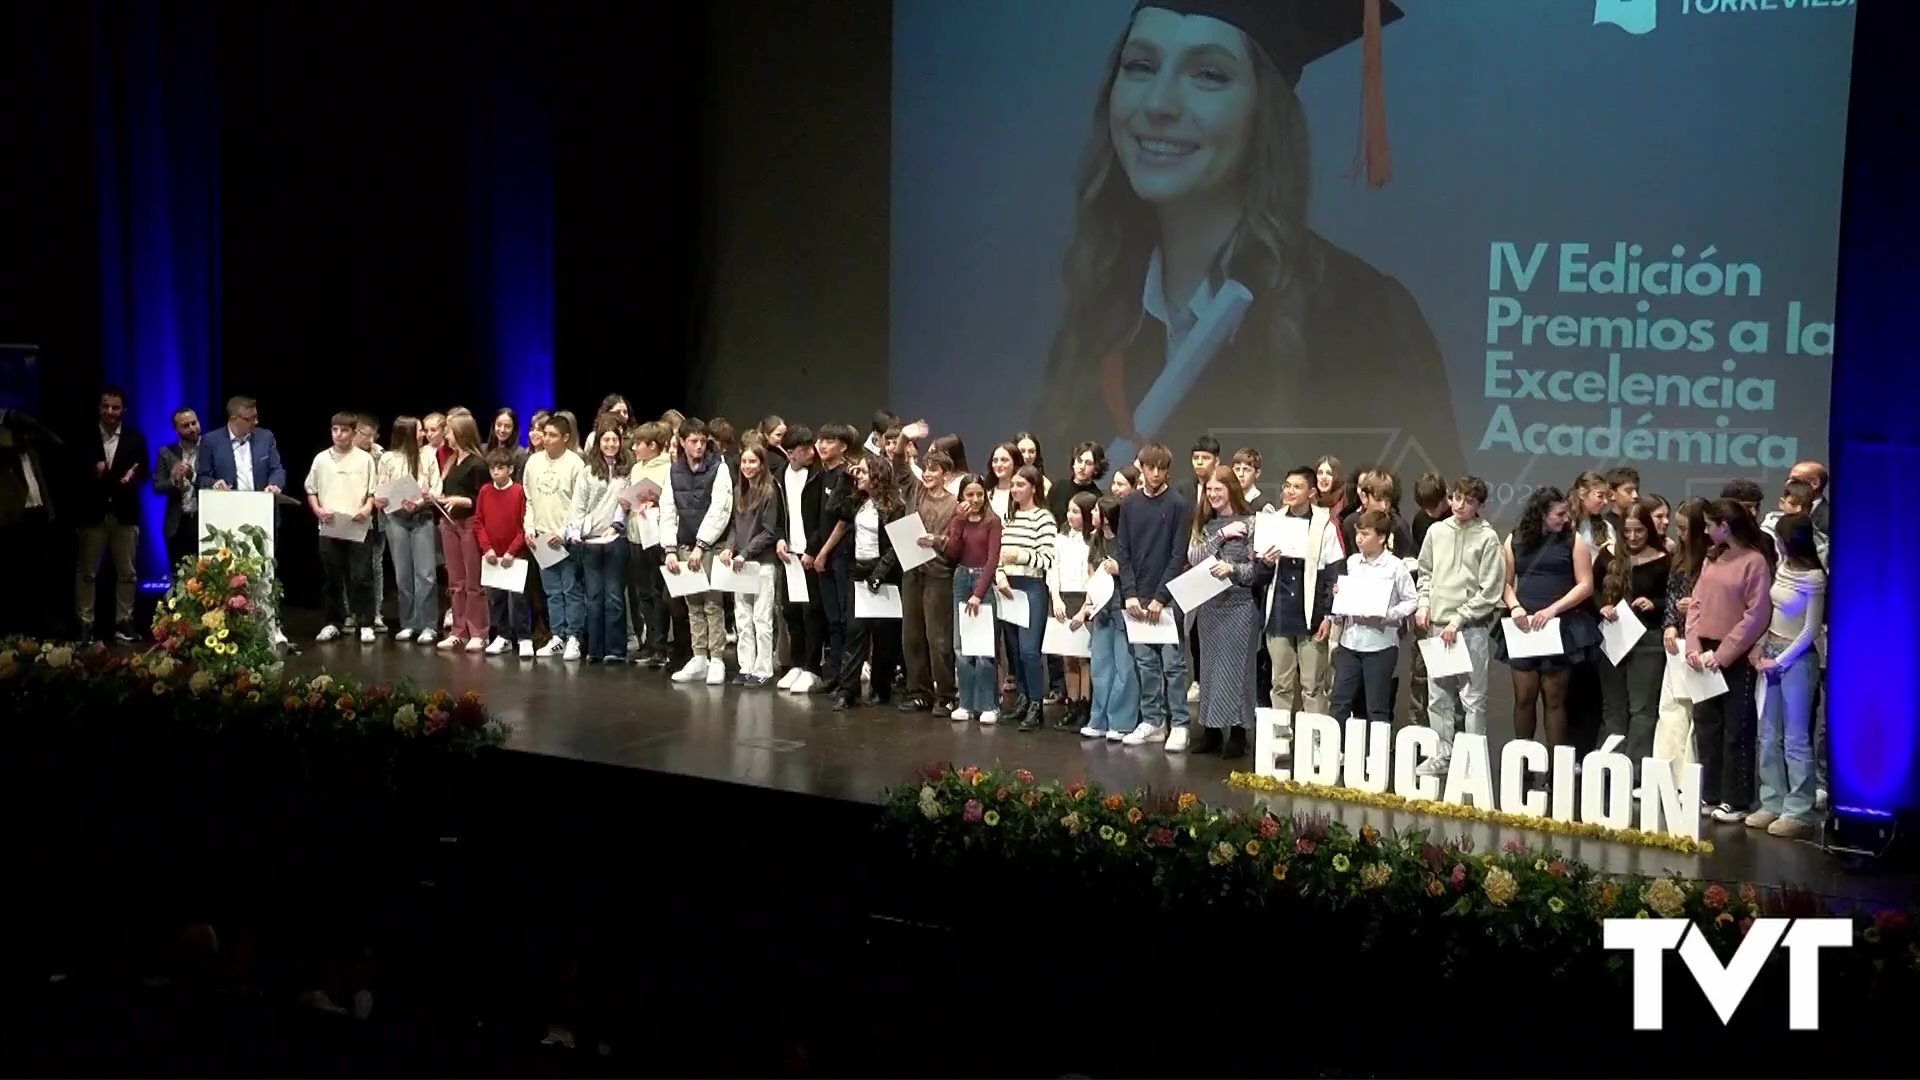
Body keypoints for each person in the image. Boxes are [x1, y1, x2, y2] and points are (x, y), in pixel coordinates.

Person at [1029, 0, 1455, 483]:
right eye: (1141, 66)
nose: (1158, 104)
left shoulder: (1365, 320)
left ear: (1263, 111)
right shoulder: (1103, 313)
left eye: (1208, 74)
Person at [1495, 487, 1602, 774]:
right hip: (1524, 627)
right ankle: (1524, 764)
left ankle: (1557, 770)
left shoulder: (1573, 540)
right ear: (1542, 514)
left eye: (1567, 513)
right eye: (1559, 514)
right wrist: (1515, 606)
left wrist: (1553, 610)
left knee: (1554, 699)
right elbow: (1504, 582)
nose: (1566, 518)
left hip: (1558, 625)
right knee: (1524, 697)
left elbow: (1585, 585)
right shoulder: (1514, 539)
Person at [1685, 498, 1775, 823]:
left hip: (1732, 655)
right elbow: (1695, 604)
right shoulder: (1713, 558)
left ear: (1726, 526)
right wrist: (1693, 644)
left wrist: (1723, 655)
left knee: (1737, 727)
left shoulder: (1755, 562)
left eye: (1711, 525)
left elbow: (1756, 616)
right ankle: (1710, 793)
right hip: (1704, 652)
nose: (1707, 531)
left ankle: (1736, 799)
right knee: (1707, 726)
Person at [1413, 476, 1504, 776]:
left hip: (1470, 628)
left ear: (1479, 505)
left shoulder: (1487, 538)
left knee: (1472, 698)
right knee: (1439, 697)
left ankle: (1472, 761)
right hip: (1439, 626)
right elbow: (1425, 571)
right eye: (1457, 498)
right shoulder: (1437, 532)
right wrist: (1424, 603)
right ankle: (1443, 755)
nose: (1460, 505)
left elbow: (1490, 590)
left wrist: (1460, 617)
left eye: (1469, 501)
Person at [1749, 512, 1826, 838]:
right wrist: (1761, 644)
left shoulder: (1814, 578)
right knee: (1768, 734)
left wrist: (1780, 660)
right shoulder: (1782, 567)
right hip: (1771, 652)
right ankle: (1773, 800)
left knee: (1795, 738)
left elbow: (1809, 630)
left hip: (1797, 660)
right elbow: (1776, 614)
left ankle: (1799, 808)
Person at [195, 396, 292, 651]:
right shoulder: (211, 441)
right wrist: (213, 484)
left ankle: (271, 624)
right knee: (228, 574)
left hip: (261, 514)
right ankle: (225, 624)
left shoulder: (265, 437)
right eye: (250, 419)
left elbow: (277, 468)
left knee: (267, 571)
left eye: (256, 417)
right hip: (227, 516)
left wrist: (275, 483)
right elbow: (202, 476)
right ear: (234, 419)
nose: (256, 422)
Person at [1184, 465, 1268, 757]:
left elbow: (1257, 569)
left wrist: (1232, 569)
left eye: (1218, 489)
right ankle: (1211, 731)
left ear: (1231, 489)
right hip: (1209, 607)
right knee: (1209, 670)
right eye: (1209, 490)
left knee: (1237, 672)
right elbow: (1193, 557)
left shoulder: (1252, 523)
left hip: (1240, 606)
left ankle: (1239, 732)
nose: (1213, 495)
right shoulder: (1205, 524)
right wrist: (1221, 535)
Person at [1114, 442, 1191, 750]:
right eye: (1151, 467)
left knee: (1173, 665)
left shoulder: (1177, 504)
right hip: (1137, 596)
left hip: (1168, 598)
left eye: (1161, 468)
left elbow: (1177, 554)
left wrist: (1161, 597)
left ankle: (1180, 724)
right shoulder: (1130, 504)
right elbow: (1124, 550)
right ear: (1142, 469)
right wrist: (1130, 594)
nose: (1156, 473)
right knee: (1145, 662)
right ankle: (1153, 721)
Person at [1259, 465, 1343, 719]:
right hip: (1280, 611)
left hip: (1312, 615)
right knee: (1281, 684)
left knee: (1313, 686)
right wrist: (1266, 563)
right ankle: (1281, 741)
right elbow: (1259, 574)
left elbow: (1333, 573)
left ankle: (1317, 743)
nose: (1290, 491)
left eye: (1297, 487)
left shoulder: (1324, 524)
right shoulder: (1273, 523)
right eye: (1287, 486)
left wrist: (1329, 615)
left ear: (1311, 493)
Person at [1594, 497, 1670, 768]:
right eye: (1627, 531)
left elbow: (1672, 600)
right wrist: (1602, 606)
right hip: (1612, 636)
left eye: (1639, 530)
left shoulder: (1663, 560)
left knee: (1642, 709)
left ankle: (1636, 769)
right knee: (1613, 706)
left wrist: (1655, 604)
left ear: (1649, 529)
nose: (1633, 536)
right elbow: (1592, 591)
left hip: (1647, 640)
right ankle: (1609, 765)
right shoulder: (1608, 555)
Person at [1327, 509, 1418, 729]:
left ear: (1381, 538)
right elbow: (1344, 598)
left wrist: (1387, 616)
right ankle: (1336, 750)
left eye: (1365, 534)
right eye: (1358, 533)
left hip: (1380, 645)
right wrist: (1339, 599)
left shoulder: (1395, 567)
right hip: (1350, 642)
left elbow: (1411, 600)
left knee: (1376, 706)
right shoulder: (1351, 563)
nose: (1359, 539)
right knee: (1339, 699)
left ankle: (1375, 755)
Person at [662, 419, 735, 685]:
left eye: (702, 441)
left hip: (710, 546)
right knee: (693, 603)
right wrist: (670, 548)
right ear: (682, 442)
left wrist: (702, 544)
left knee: (713, 603)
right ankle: (699, 657)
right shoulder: (673, 472)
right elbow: (668, 509)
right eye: (693, 441)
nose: (699, 446)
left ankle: (716, 659)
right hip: (683, 544)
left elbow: (721, 509)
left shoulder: (719, 468)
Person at [831, 453, 906, 711]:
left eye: (863, 472)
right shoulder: (857, 501)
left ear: (877, 475)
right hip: (859, 572)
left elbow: (896, 544)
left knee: (884, 637)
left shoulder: (894, 505)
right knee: (854, 632)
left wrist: (880, 573)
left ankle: (880, 687)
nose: (859, 475)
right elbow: (834, 508)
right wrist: (844, 476)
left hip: (884, 574)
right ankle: (846, 690)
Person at [73, 387, 149, 643]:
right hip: (92, 513)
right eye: (106, 406)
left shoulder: (135, 438)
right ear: (98, 407)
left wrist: (132, 475)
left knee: (127, 573)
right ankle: (85, 624)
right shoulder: (84, 436)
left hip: (125, 514)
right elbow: (69, 472)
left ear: (123, 410)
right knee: (87, 572)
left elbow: (145, 472)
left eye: (115, 407)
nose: (110, 411)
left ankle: (124, 622)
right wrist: (91, 472)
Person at [305, 411, 378, 644]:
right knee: (332, 576)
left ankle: (365, 622)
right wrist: (317, 510)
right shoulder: (321, 459)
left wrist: (366, 510)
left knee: (361, 576)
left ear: (354, 433)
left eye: (344, 430)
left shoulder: (364, 459)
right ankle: (332, 622)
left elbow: (372, 492)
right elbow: (311, 489)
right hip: (330, 525)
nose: (339, 434)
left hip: (358, 525)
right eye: (335, 429)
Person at [898, 448, 959, 716]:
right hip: (913, 570)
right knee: (911, 635)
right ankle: (919, 691)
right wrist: (905, 437)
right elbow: (899, 462)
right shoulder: (916, 492)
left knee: (939, 639)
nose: (928, 473)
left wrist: (937, 540)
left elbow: (958, 543)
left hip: (938, 574)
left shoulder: (956, 504)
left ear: (945, 475)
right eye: (926, 468)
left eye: (934, 469)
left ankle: (945, 694)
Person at [717, 442, 782, 686]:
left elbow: (769, 531)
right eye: (744, 461)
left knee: (762, 618)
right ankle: (746, 665)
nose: (747, 466)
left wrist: (745, 552)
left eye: (752, 461)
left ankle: (763, 668)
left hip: (761, 562)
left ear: (762, 464)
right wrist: (729, 548)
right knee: (742, 618)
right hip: (740, 563)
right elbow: (735, 525)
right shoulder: (739, 491)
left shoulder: (769, 491)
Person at [523, 414, 587, 660]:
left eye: (552, 435)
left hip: (565, 539)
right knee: (551, 590)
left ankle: (574, 637)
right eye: (544, 434)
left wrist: (562, 532)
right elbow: (529, 499)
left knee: (570, 588)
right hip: (541, 536)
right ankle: (558, 635)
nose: (546, 439)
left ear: (565, 438)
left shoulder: (575, 464)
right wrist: (530, 528)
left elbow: (578, 505)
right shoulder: (533, 462)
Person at [1074, 495, 1138, 739]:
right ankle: (1098, 719)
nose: (1092, 515)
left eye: (1096, 512)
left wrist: (1119, 570)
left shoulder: (1125, 540)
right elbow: (1091, 573)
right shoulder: (1096, 539)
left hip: (1122, 607)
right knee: (1101, 666)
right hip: (1102, 609)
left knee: (1124, 667)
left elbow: (1136, 570)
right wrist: (1087, 606)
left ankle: (1121, 722)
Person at [373, 416, 441, 645]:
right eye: (420, 430)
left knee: (426, 574)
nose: (423, 434)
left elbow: (435, 487)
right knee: (403, 574)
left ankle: (428, 624)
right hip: (396, 518)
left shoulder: (428, 455)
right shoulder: (388, 458)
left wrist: (421, 501)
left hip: (421, 516)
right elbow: (380, 489)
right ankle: (409, 623)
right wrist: (380, 499)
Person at [943, 474, 1004, 724]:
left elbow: (992, 560)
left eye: (979, 494)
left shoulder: (993, 522)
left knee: (983, 648)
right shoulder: (958, 521)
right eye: (970, 494)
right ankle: (966, 703)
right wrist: (957, 521)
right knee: (961, 647)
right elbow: (951, 553)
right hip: (960, 577)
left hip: (981, 581)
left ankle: (988, 704)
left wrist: (979, 593)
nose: (975, 499)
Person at [570, 423, 632, 664]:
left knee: (615, 596)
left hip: (616, 540)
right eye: (605, 440)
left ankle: (616, 650)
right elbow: (579, 504)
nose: (610, 444)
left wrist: (616, 526)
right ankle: (595, 649)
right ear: (598, 443)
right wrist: (577, 531)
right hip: (591, 541)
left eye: (614, 440)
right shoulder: (587, 472)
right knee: (594, 597)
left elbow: (626, 504)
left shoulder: (627, 472)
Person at [432, 413, 490, 652]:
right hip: (449, 524)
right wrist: (438, 498)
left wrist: (461, 500)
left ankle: (478, 631)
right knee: (455, 581)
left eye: (449, 431)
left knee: (473, 581)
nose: (446, 435)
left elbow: (482, 499)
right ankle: (459, 630)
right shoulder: (451, 461)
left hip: (469, 524)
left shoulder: (477, 463)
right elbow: (449, 492)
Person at [775, 425, 824, 692]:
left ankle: (812, 667)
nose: (810, 452)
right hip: (790, 555)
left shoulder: (817, 476)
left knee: (812, 612)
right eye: (803, 449)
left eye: (810, 447)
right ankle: (796, 664)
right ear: (790, 453)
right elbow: (780, 514)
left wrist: (812, 549)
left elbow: (821, 518)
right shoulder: (780, 475)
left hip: (809, 555)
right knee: (791, 610)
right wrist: (780, 538)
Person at [474, 449, 532, 657]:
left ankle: (524, 637)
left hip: (514, 556)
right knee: (496, 598)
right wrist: (486, 548)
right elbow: (479, 521)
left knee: (518, 598)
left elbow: (522, 526)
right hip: (492, 555)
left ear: (510, 469)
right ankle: (503, 636)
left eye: (500, 468)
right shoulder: (485, 491)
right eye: (492, 468)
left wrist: (512, 551)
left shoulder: (518, 492)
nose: (495, 472)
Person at [624, 421, 672, 667]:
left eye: (638, 444)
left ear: (653, 445)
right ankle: (649, 643)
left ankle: (660, 646)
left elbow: (670, 502)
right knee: (642, 591)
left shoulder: (667, 468)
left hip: (656, 536)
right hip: (635, 534)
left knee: (657, 591)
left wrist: (656, 501)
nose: (634, 448)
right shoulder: (636, 469)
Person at [152, 405, 203, 580]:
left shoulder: (211, 448)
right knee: (179, 577)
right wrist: (175, 482)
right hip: (177, 522)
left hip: (203, 520)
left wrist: (193, 476)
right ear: (176, 429)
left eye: (194, 423)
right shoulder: (166, 452)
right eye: (185, 425)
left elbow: (216, 481)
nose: (192, 428)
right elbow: (157, 486)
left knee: (205, 578)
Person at [350, 413, 388, 634]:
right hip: (351, 516)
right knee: (351, 567)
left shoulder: (380, 455)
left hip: (376, 518)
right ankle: (352, 613)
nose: (370, 440)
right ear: (356, 432)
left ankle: (376, 613)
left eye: (374, 436)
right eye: (367, 435)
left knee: (375, 564)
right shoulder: (343, 454)